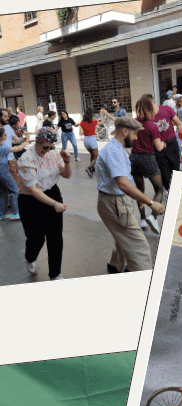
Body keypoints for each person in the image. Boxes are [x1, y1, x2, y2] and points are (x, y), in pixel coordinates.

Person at [95, 116, 164, 273]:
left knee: (123, 239)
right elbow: (123, 184)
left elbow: (125, 181)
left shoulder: (117, 148)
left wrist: (136, 196)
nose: (136, 137)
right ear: (124, 131)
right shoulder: (114, 151)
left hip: (116, 202)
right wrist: (151, 202)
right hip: (115, 203)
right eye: (134, 133)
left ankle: (114, 266)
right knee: (139, 247)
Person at [16, 128, 72, 280]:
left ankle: (55, 274)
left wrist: (67, 162)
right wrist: (55, 204)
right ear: (37, 142)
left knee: (55, 237)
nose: (47, 150)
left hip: (52, 192)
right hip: (30, 201)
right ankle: (30, 257)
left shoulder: (53, 154)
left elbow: (66, 175)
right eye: (45, 147)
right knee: (36, 238)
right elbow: (33, 190)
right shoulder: (27, 159)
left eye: (50, 147)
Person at [130, 96, 166, 234]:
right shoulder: (152, 126)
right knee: (159, 190)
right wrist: (163, 144)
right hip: (147, 159)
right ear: (149, 109)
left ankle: (143, 219)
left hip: (133, 158)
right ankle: (153, 216)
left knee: (140, 191)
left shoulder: (133, 122)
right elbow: (158, 147)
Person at [0, 128, 20, 220]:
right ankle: (15, 212)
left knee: (3, 192)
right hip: (3, 170)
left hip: (2, 170)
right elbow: (18, 148)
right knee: (14, 189)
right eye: (4, 135)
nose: (6, 136)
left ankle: (2, 213)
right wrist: (25, 142)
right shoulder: (3, 147)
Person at [79, 108, 101, 177]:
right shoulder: (94, 122)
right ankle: (89, 167)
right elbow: (102, 122)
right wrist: (101, 115)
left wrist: (92, 132)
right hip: (92, 139)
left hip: (86, 140)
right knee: (96, 156)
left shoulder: (82, 123)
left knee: (92, 154)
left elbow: (81, 133)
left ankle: (93, 169)